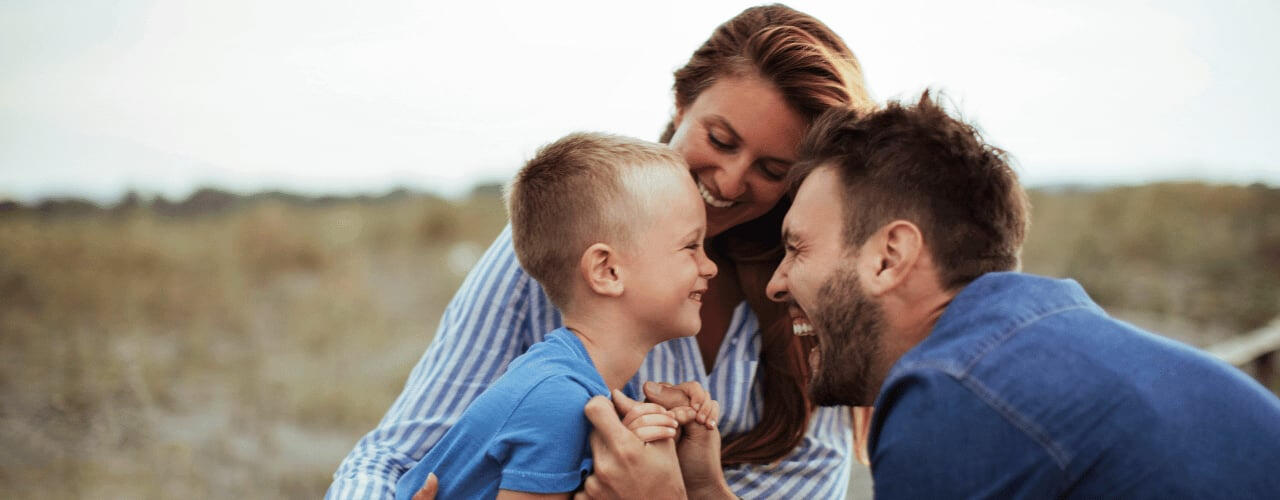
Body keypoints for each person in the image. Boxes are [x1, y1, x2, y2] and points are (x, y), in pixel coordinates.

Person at [327, 5, 875, 498]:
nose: (731, 182)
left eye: (772, 170)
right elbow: (395, 453)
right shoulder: (571, 240)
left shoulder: (809, 292)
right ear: (681, 102)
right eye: (721, 140)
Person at [759, 93, 1280, 497]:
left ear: (890, 256)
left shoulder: (953, 395)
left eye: (797, 248)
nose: (776, 282)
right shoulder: (1048, 347)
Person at [393, 133, 721, 499]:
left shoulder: (605, 386)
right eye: (691, 246)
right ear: (608, 270)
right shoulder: (557, 402)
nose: (709, 267)